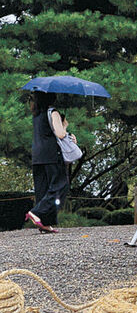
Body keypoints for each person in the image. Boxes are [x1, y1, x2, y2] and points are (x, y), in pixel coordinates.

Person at [25, 92, 74, 233]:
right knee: (60, 185)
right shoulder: (53, 112)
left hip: (37, 156)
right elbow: (60, 134)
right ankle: (37, 212)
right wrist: (64, 125)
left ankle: (45, 224)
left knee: (43, 189)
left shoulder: (36, 115)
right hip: (52, 155)